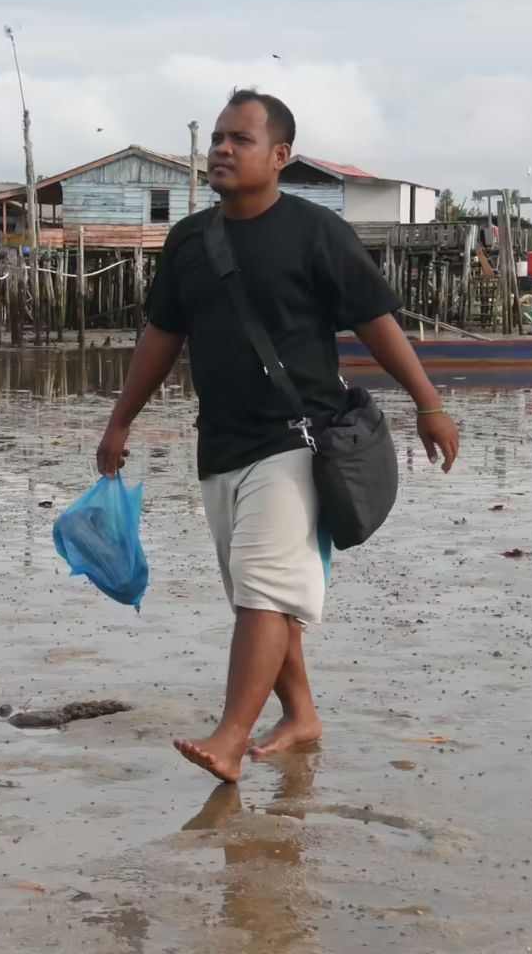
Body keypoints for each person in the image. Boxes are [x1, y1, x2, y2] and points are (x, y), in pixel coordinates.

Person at [95, 89, 459, 783]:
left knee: (264, 591)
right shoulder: (190, 241)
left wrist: (429, 403)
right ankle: (302, 715)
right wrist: (120, 420)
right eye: (219, 139)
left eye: (241, 139)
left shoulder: (315, 232)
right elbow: (162, 336)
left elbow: (376, 320)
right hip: (220, 444)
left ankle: (230, 739)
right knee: (258, 594)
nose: (223, 150)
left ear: (280, 156)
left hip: (298, 440)